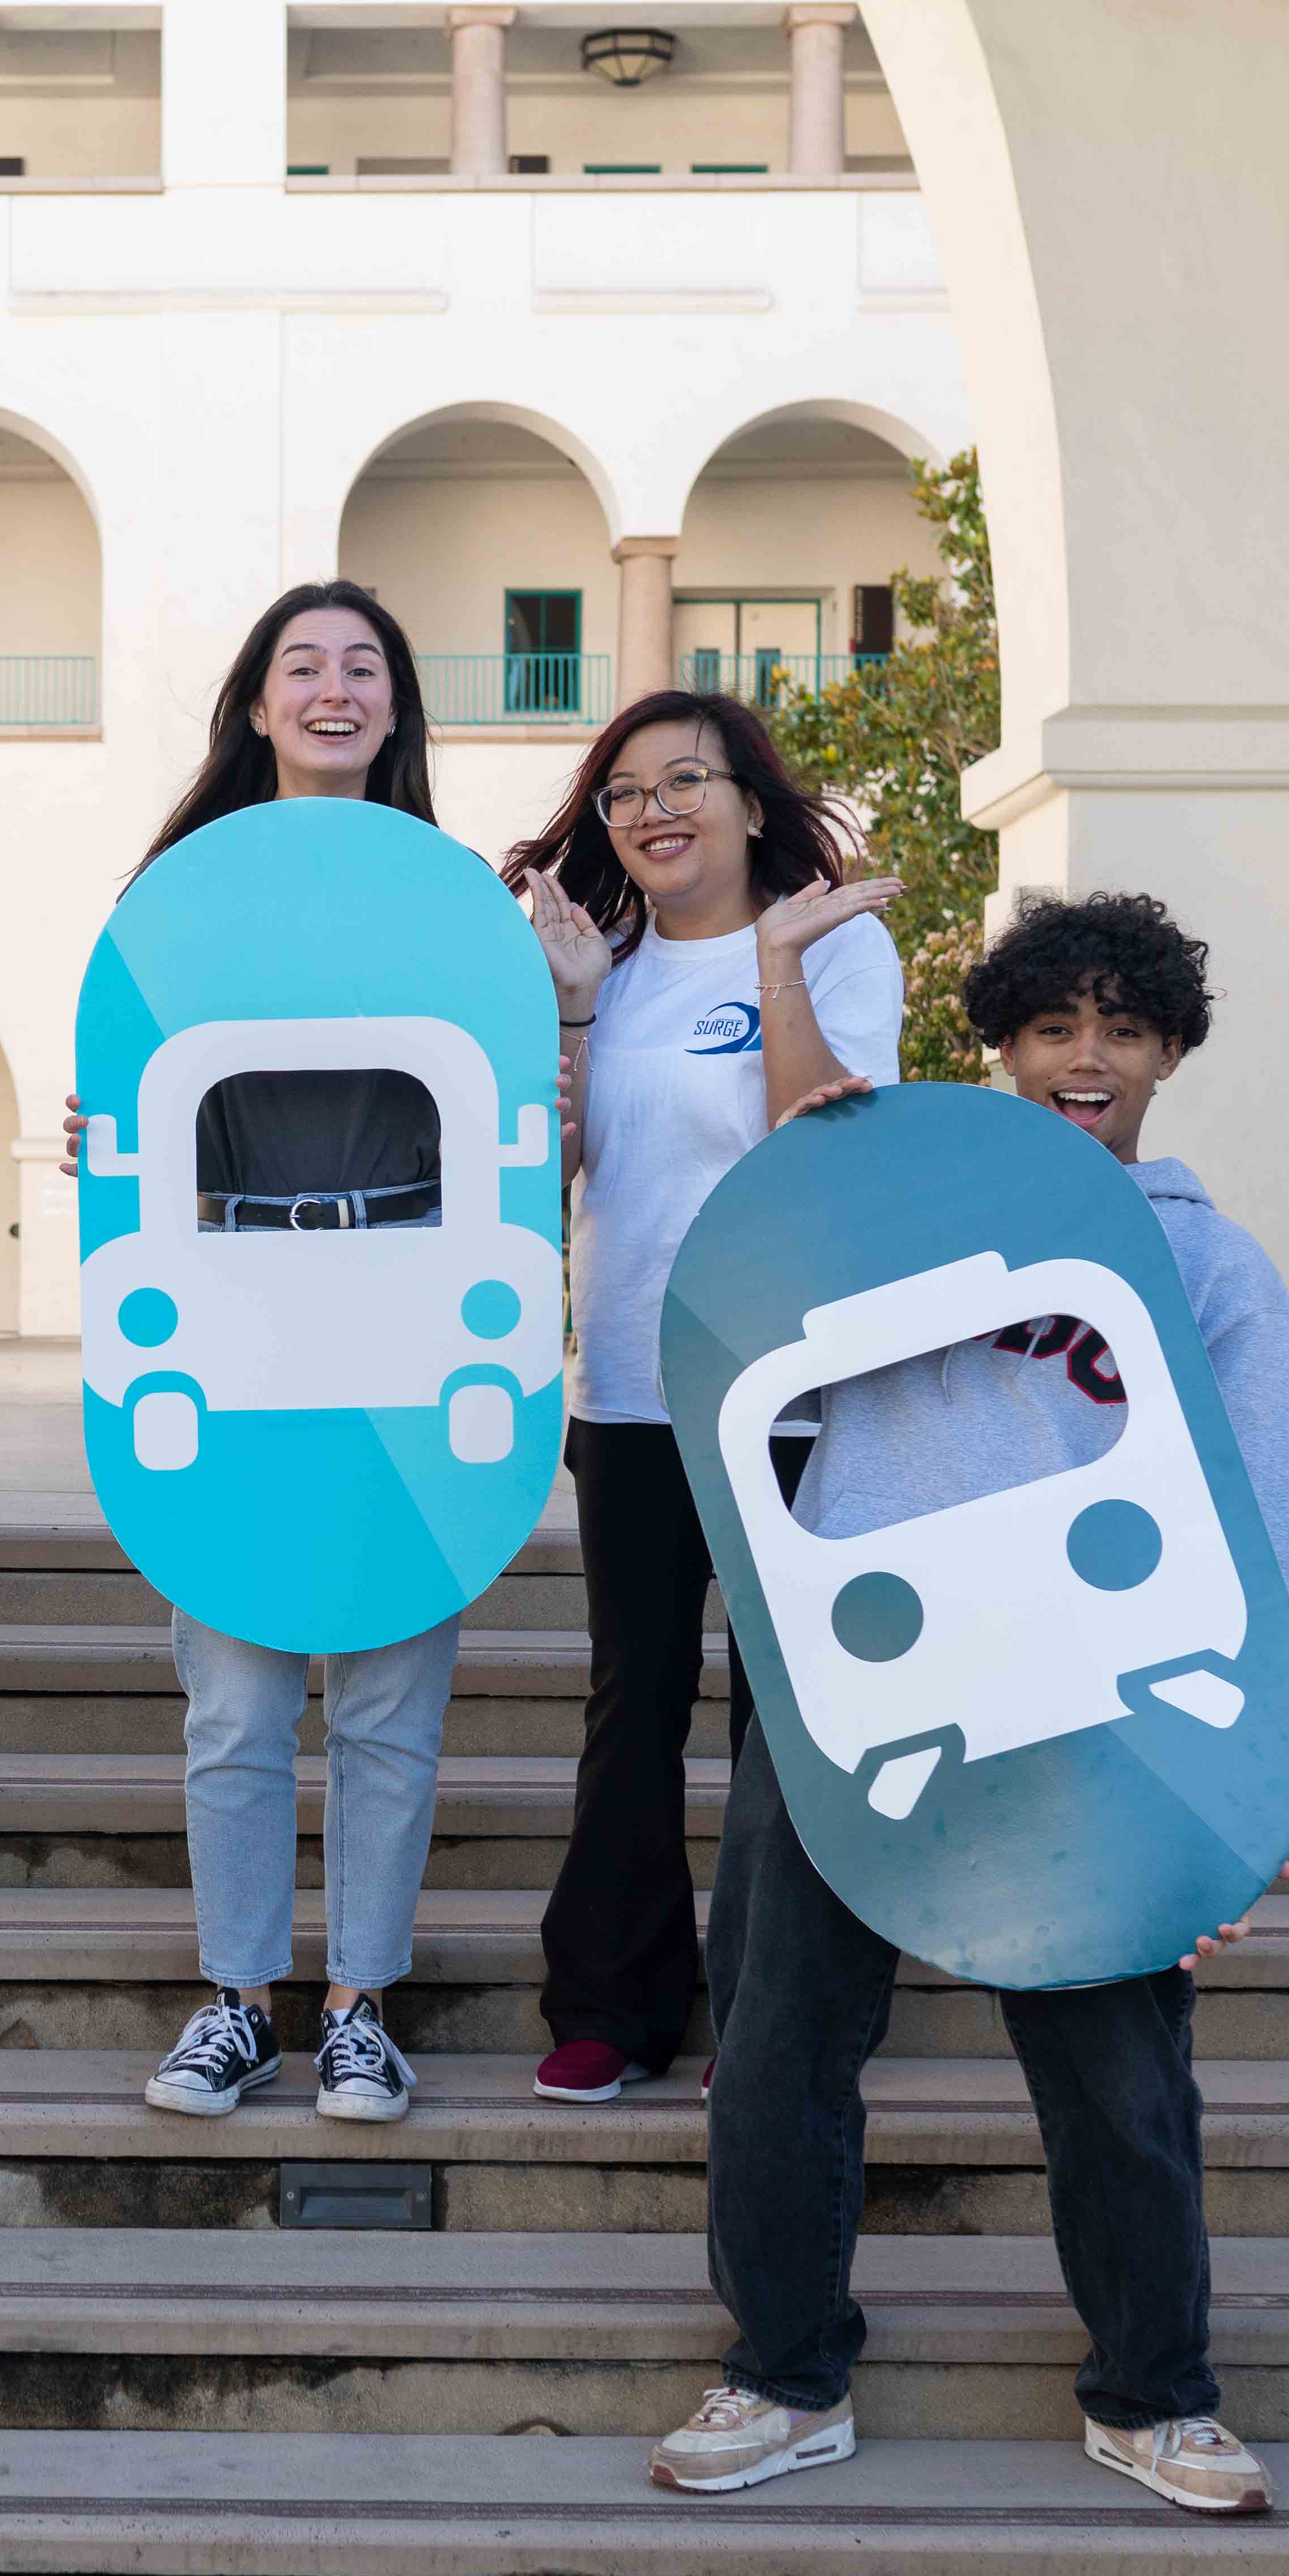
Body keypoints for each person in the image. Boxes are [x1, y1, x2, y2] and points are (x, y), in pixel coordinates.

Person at [649, 889, 1289, 2517]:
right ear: (1000, 1046)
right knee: (783, 2039)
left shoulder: (1208, 1262)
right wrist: (811, 1158)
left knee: (1116, 2067)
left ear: (1171, 1050)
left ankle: (1156, 2392)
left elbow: (1261, 1524)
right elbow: (753, 1390)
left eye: (1123, 1027)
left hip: (1093, 1701)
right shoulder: (890, 1215)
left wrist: (1231, 1770)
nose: (1087, 1055)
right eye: (1053, 1025)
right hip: (864, 1689)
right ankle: (781, 2370)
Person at [66, 580, 580, 2129]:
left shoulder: (453, 904)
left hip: (418, 1303)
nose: (335, 686)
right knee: (232, 1698)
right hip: (235, 1303)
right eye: (304, 664)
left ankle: (360, 2006)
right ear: (256, 703)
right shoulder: (175, 895)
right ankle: (235, 1999)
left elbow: (521, 1139)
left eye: (367, 662)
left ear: (398, 707)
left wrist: (559, 1007)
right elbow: (134, 1111)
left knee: (386, 1702)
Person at [494, 694, 904, 2107]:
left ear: (747, 801)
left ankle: (784, 2006)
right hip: (632, 1385)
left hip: (795, 1385)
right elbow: (539, 1176)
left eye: (684, 780)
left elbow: (821, 1142)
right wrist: (568, 1006)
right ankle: (612, 2004)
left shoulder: (840, 943)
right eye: (623, 793)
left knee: (786, 1713)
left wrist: (779, 964)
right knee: (638, 1701)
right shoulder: (596, 961)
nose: (653, 810)